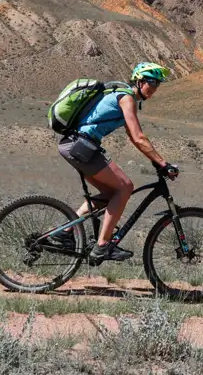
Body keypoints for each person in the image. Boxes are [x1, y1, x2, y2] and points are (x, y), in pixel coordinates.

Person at [55, 62, 178, 264]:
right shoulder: (126, 98)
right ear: (139, 81)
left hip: (76, 145)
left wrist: (155, 160)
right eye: (152, 82)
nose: (155, 87)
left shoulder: (124, 97)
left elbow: (134, 138)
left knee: (110, 194)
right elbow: (139, 137)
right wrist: (164, 163)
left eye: (158, 84)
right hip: (81, 146)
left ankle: (64, 232)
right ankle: (102, 245)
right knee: (125, 187)